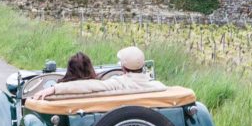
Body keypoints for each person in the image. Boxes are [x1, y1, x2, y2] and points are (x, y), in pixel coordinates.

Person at [32, 46, 166, 100]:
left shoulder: (119, 83)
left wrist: (54, 89)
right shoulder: (158, 86)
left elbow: (87, 86)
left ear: (124, 68)